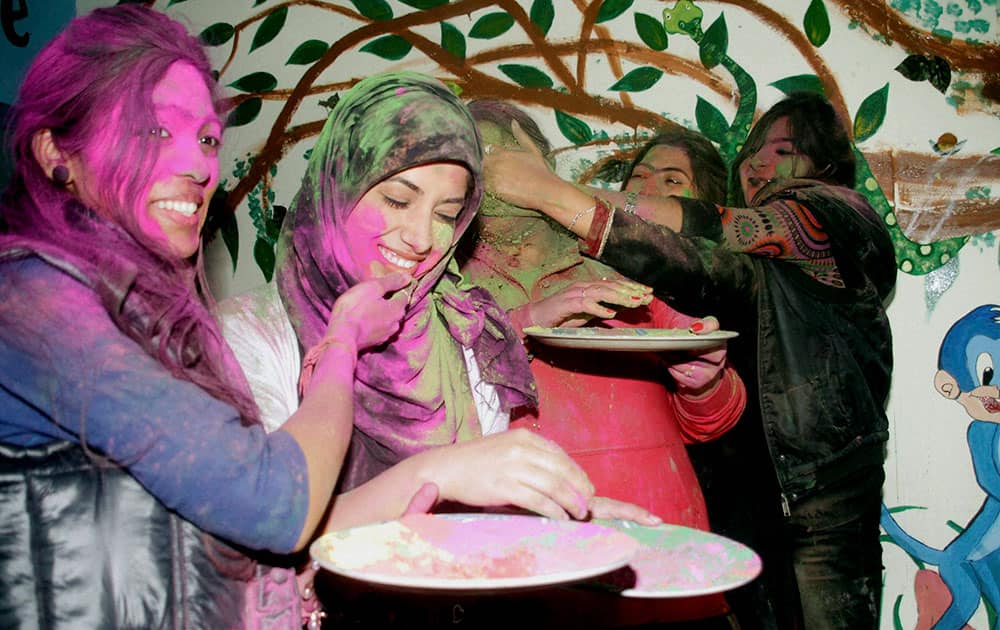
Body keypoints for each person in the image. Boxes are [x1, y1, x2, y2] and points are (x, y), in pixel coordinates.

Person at [0, 8, 596, 628]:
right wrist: (345, 349)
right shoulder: (47, 303)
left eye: (206, 139)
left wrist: (570, 524)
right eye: (154, 132)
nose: (198, 167)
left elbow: (190, 552)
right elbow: (269, 506)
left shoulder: (464, 331)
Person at [219, 73, 657, 627]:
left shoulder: (460, 331)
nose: (421, 237)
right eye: (398, 200)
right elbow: (255, 537)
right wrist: (442, 471)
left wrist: (558, 526)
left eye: (447, 213)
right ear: (338, 185)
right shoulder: (251, 335)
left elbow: (467, 525)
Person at [484, 91, 896, 629]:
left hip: (815, 496)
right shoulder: (669, 275)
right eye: (754, 151)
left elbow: (709, 240)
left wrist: (547, 191)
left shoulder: (835, 215)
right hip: (726, 508)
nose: (760, 163)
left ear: (824, 166)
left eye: (786, 150)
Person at [459, 101, 746, 625]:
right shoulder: (444, 285)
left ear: (540, 166)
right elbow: (418, 403)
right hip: (519, 559)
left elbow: (712, 418)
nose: (492, 166)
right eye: (476, 152)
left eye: (506, 151)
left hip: (658, 544)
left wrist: (704, 383)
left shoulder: (620, 265)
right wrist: (523, 321)